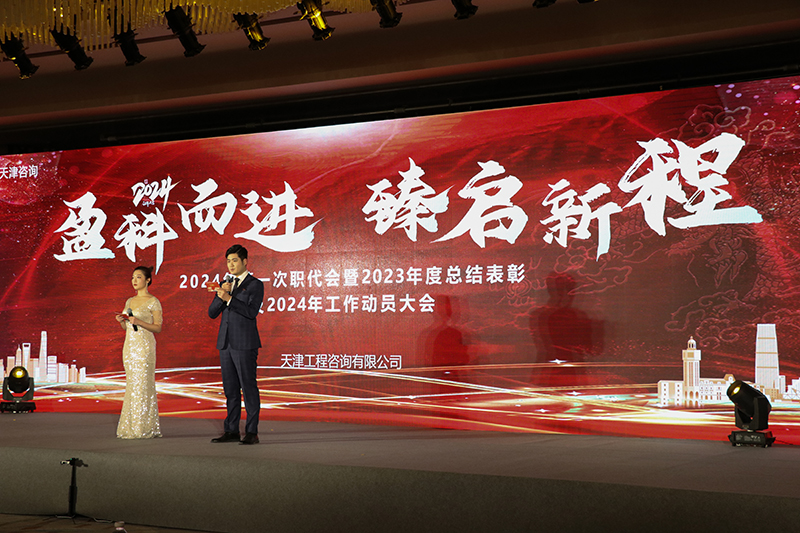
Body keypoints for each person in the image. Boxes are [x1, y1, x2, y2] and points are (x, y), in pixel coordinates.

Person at [208, 244, 264, 445]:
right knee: (230, 389)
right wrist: (221, 295)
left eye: (235, 260)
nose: (231, 265)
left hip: (245, 343)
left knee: (248, 387)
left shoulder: (255, 284)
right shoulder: (225, 284)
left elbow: (251, 312)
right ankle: (231, 430)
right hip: (226, 343)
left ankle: (251, 432)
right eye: (228, 261)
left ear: (245, 261)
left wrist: (230, 299)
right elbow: (212, 313)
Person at [114, 265, 163, 439]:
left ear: (148, 280)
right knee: (132, 385)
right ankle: (130, 427)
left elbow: (158, 327)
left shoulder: (153, 301)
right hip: (130, 347)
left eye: (139, 277)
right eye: (133, 277)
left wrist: (139, 321)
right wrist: (122, 321)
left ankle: (144, 427)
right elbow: (127, 327)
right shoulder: (129, 301)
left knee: (143, 385)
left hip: (144, 347)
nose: (134, 281)